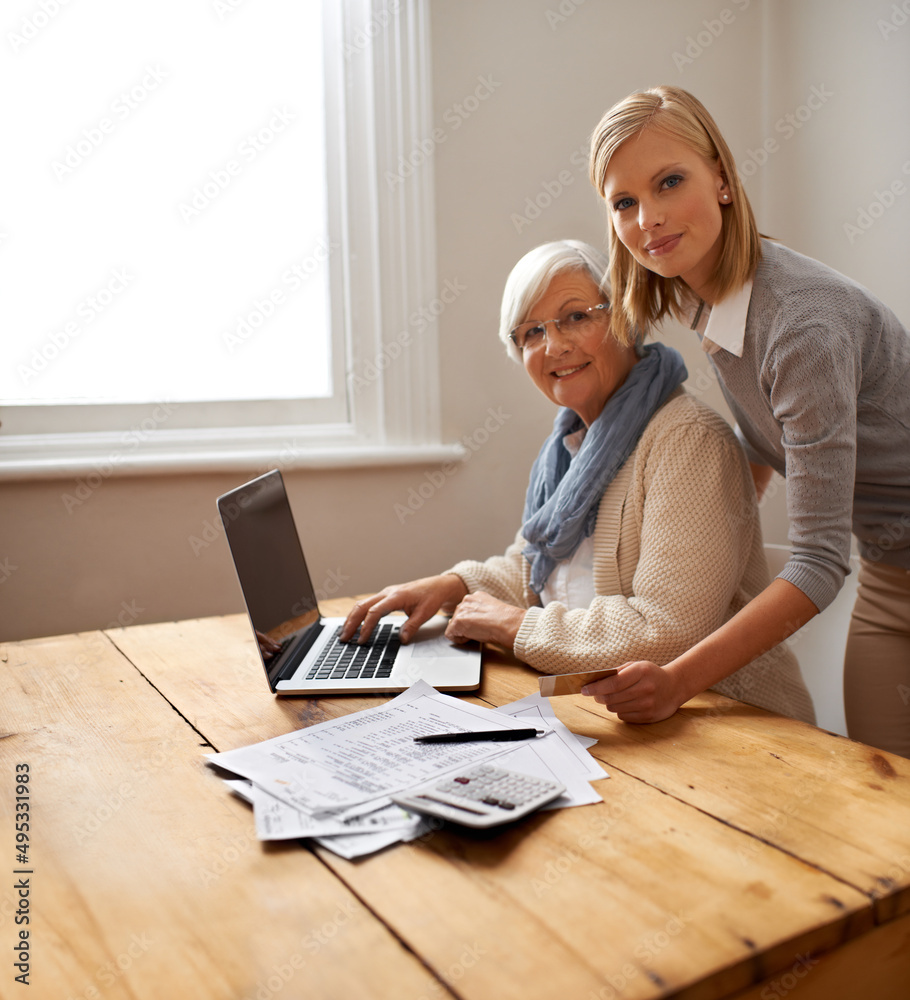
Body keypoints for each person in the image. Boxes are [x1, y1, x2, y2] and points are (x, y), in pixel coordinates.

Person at [341, 240, 815, 724]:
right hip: (617, 718)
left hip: (730, 726)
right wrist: (452, 585)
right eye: (531, 332)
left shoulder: (687, 440)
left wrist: (516, 627)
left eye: (575, 317)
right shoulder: (572, 442)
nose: (555, 345)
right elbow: (540, 573)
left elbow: (666, 631)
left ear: (625, 318)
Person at [587, 84, 910, 757]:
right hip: (889, 573)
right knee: (885, 801)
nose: (648, 217)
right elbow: (772, 435)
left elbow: (820, 561)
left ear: (724, 181)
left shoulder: (801, 325)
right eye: (625, 201)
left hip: (865, 565)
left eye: (670, 181)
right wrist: (712, 512)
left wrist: (676, 680)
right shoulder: (710, 298)